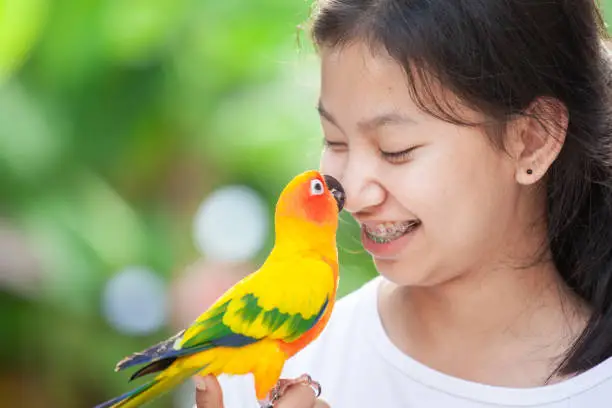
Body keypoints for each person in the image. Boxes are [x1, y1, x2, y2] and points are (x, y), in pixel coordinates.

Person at [194, 0, 612, 407]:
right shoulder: (268, 373)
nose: (351, 194)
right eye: (333, 140)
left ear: (532, 142)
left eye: (396, 149)